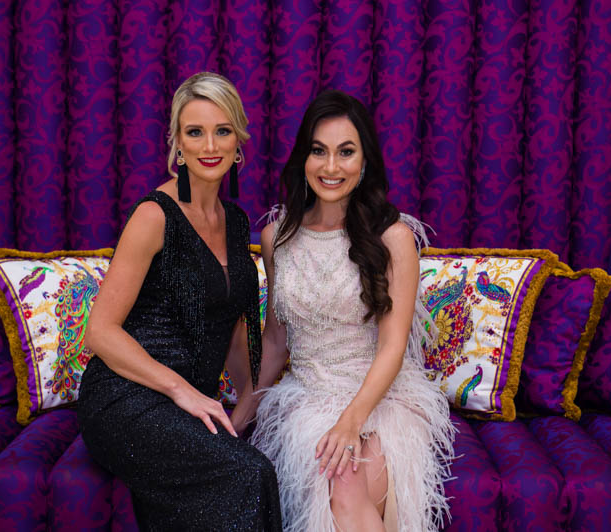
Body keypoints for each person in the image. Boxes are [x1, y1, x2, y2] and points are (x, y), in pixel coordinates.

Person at [235, 90, 455, 531]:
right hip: (308, 398)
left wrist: (349, 422)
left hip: (382, 397)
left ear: (365, 161)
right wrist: (237, 419)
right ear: (304, 158)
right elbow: (276, 341)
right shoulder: (277, 237)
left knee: (346, 485)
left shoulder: (393, 238)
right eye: (319, 151)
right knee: (343, 482)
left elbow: (392, 348)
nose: (331, 167)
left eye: (346, 152)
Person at [77, 72, 282, 532]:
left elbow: (233, 330)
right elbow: (100, 331)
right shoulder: (154, 215)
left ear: (238, 141)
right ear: (178, 144)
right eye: (195, 132)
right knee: (249, 474)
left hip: (190, 405)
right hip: (125, 397)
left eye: (222, 130)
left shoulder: (235, 221)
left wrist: (249, 408)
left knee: (255, 464)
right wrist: (181, 390)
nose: (209, 145)